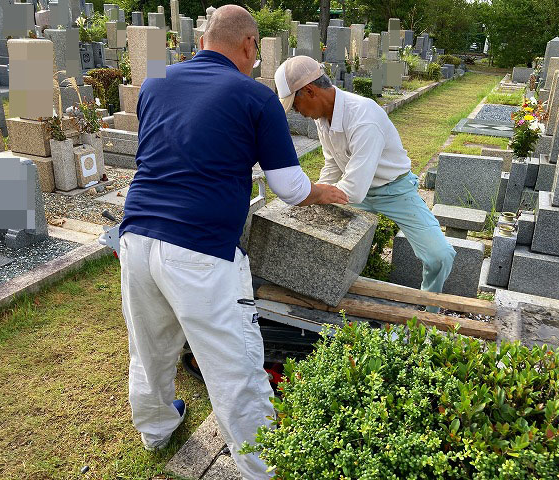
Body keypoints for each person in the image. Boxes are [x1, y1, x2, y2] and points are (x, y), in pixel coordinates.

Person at [118, 6, 347, 479]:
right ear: (248, 46)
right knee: (236, 368)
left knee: (149, 347)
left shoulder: (155, 84)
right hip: (201, 250)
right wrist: (325, 190)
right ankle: (264, 469)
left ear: (202, 39)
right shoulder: (254, 96)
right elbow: (289, 188)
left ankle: (156, 428)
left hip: (136, 237)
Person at [274, 56, 456, 311]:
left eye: (295, 105)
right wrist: (311, 198)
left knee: (440, 256)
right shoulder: (322, 118)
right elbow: (333, 163)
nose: (297, 112)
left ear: (309, 91)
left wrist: (311, 195)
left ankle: (430, 312)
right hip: (351, 187)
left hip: (394, 190)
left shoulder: (363, 117)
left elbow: (354, 190)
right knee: (317, 234)